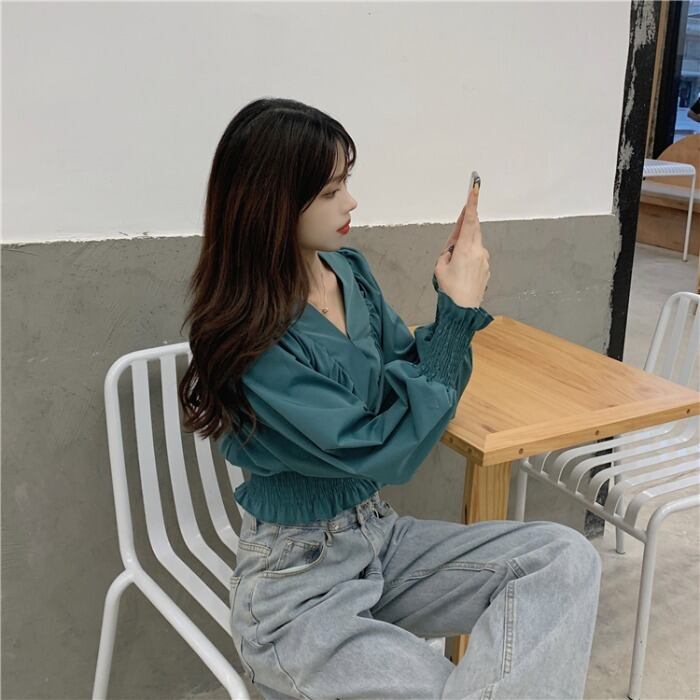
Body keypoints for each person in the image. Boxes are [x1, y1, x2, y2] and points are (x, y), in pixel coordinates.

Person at [179, 97, 602, 699]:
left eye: (346, 182)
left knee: (563, 558)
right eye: (331, 191)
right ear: (273, 203)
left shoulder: (348, 272)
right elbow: (385, 448)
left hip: (379, 538)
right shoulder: (251, 338)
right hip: (296, 591)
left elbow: (406, 377)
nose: (350, 202)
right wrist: (456, 315)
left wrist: (453, 303)